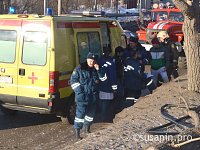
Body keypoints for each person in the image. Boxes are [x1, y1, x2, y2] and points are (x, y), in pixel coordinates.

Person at [70, 52, 106, 141]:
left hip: (93, 97)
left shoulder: (96, 69)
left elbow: (103, 79)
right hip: (82, 97)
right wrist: (80, 93)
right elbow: (73, 81)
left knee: (90, 115)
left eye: (93, 61)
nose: (91, 63)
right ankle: (77, 134)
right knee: (79, 116)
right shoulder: (79, 69)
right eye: (90, 60)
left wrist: (98, 70)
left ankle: (87, 130)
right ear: (87, 59)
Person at [98, 48, 117, 122]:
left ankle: (101, 115)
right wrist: (114, 88)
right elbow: (113, 76)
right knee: (105, 102)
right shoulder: (110, 63)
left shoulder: (99, 61)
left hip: (100, 84)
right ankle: (104, 116)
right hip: (107, 84)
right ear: (109, 53)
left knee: (101, 101)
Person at [112, 46, 124, 113]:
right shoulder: (116, 60)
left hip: (118, 77)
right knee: (119, 93)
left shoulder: (116, 59)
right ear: (118, 53)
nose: (122, 54)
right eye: (121, 53)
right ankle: (117, 108)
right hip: (117, 78)